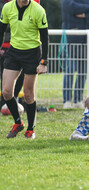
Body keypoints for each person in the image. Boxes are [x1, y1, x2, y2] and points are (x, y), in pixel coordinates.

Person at [0, 0, 48, 139]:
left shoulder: (38, 10)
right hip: (13, 51)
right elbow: (1, 30)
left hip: (32, 54)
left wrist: (44, 61)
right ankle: (18, 123)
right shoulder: (8, 8)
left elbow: (45, 37)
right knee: (7, 92)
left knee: (28, 95)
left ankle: (30, 129)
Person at [61, 0, 89, 109]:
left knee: (83, 72)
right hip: (71, 38)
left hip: (87, 40)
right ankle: (67, 100)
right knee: (70, 71)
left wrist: (83, 14)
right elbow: (69, 7)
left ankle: (78, 100)